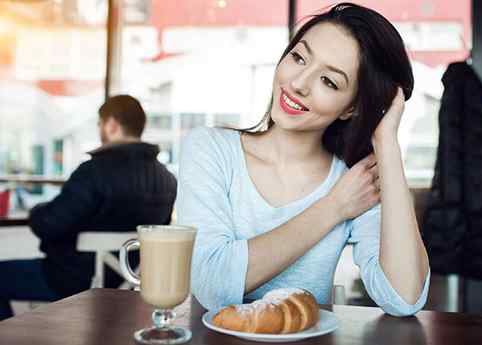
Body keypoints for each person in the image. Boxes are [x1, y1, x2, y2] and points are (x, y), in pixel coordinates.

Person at [177, 3, 430, 316]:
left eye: (329, 81)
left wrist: (386, 141)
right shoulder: (210, 150)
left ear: (351, 108)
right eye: (299, 57)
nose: (298, 84)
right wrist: (334, 208)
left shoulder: (356, 183)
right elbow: (211, 283)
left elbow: (404, 298)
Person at [0, 95, 177, 321]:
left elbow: (48, 224)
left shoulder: (92, 173)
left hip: (70, 281)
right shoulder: (167, 179)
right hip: (127, 283)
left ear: (112, 125)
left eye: (99, 124)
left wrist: (37, 211)